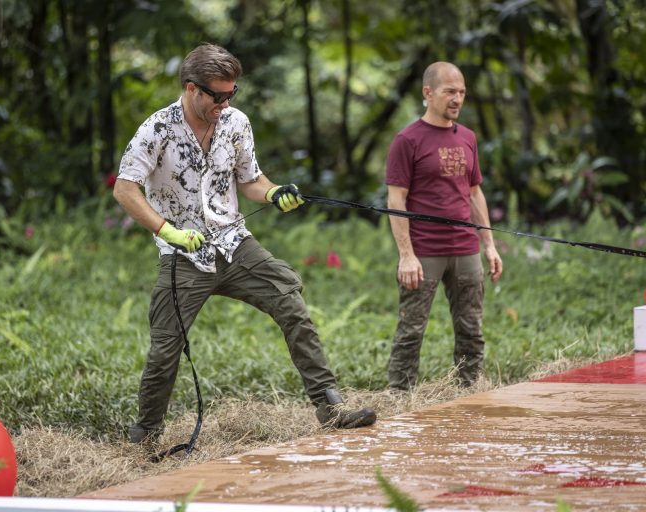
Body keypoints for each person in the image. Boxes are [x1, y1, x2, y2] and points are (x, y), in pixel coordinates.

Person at [113, 43, 376, 444]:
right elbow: (125, 189)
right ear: (191, 89)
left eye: (231, 94)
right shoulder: (158, 129)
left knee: (290, 300)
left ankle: (330, 407)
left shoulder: (236, 123)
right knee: (166, 348)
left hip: (235, 244)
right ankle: (145, 434)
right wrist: (167, 231)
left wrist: (273, 193)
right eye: (217, 96)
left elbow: (251, 180)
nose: (224, 102)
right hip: (184, 254)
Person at [384, 61, 503, 391]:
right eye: (450, 91)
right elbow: (396, 201)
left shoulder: (468, 137)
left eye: (462, 92)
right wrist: (406, 255)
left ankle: (470, 390)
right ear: (428, 93)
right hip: (424, 252)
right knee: (411, 329)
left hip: (466, 248)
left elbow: (475, 192)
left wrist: (490, 245)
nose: (457, 99)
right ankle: (399, 396)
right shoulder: (407, 140)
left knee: (471, 328)